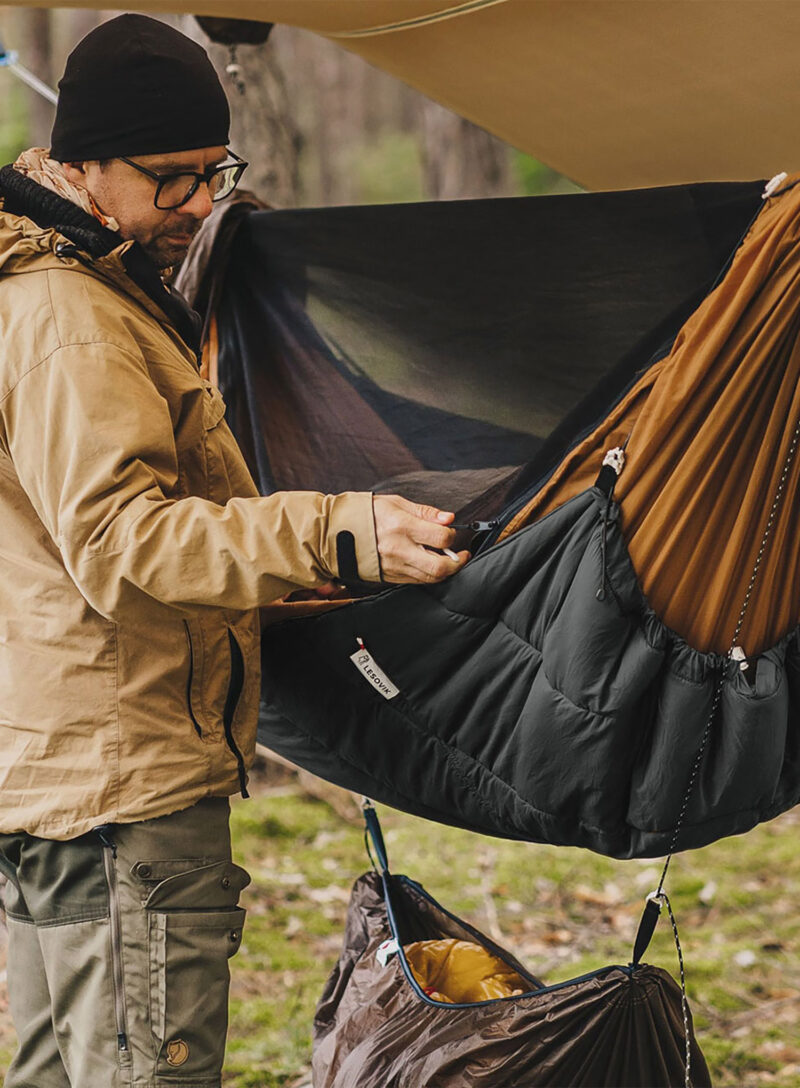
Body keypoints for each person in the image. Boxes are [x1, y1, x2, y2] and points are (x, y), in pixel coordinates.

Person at [0, 15, 468, 1087]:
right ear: (80, 164)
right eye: (169, 177)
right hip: (124, 790)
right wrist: (335, 529)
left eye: (213, 171)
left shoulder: (69, 278)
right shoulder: (72, 316)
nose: (199, 203)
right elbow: (121, 540)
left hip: (62, 770)